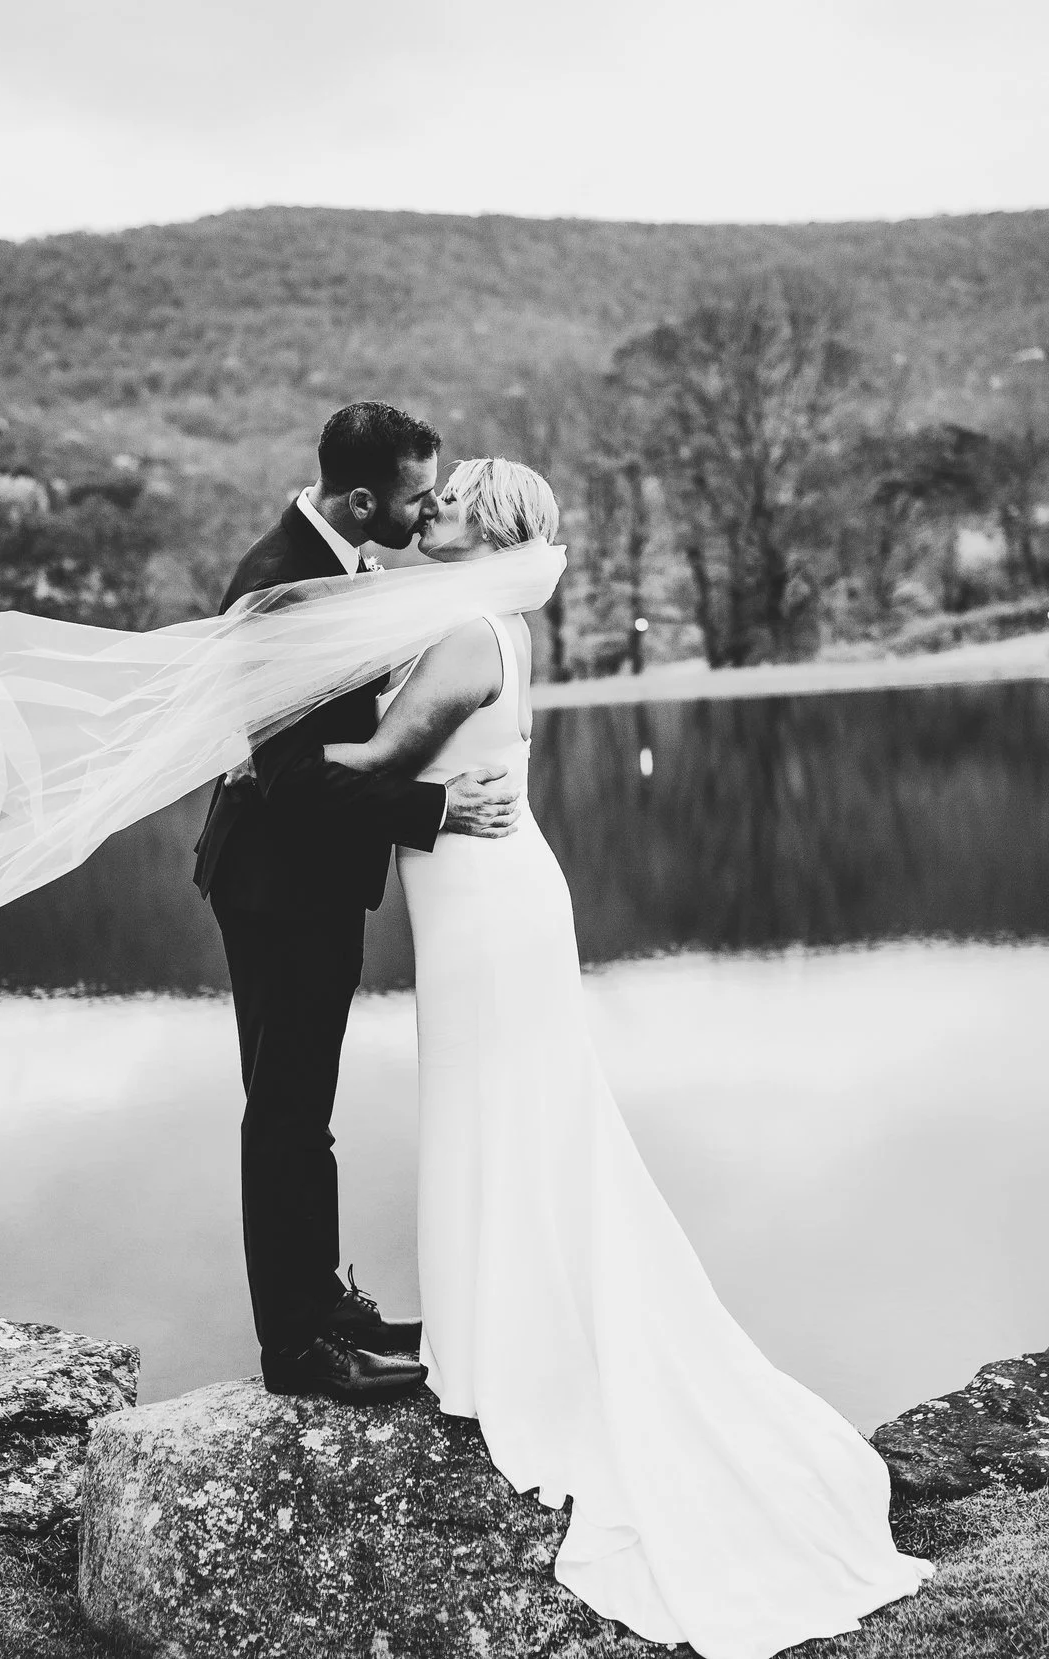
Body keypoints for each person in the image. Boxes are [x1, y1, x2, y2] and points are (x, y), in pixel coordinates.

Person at [320, 457, 933, 1659]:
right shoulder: (478, 619)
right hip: (476, 901)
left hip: (487, 907)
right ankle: (496, 1333)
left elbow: (374, 768)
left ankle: (519, 1351)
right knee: (505, 1115)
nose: (427, 508)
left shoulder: (463, 634)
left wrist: (252, 758)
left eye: (447, 502)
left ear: (485, 532)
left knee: (512, 1112)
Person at [190, 402, 522, 1404]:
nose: (427, 516)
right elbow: (286, 778)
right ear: (363, 497)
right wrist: (439, 808)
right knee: (284, 1115)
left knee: (307, 1117)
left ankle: (325, 1303)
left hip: (312, 878)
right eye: (417, 498)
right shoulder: (279, 584)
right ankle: (295, 1348)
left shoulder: (334, 562)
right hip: (274, 884)